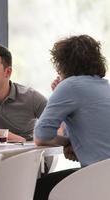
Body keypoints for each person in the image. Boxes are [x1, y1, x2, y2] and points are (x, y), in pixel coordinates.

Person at [33, 35, 110, 200]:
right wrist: (72, 141)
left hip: (97, 177)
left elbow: (41, 136)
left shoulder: (70, 86)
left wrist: (68, 142)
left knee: (36, 188)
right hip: (105, 176)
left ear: (63, 63)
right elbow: (84, 127)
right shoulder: (104, 86)